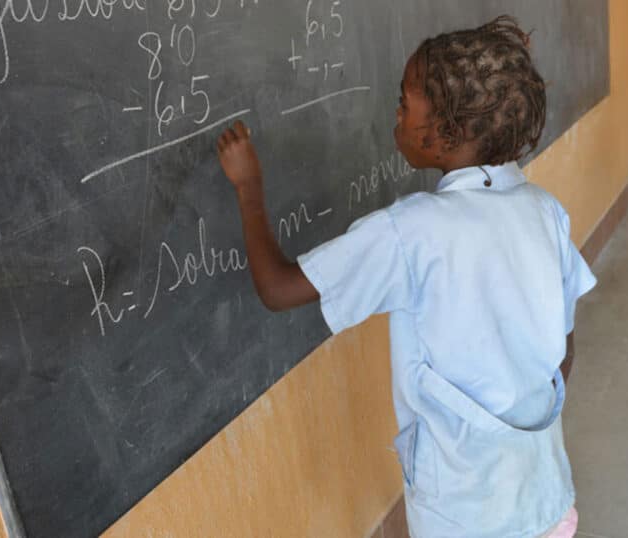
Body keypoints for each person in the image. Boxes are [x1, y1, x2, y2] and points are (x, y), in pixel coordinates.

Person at [216, 15, 596, 538]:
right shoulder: (543, 209)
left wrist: (249, 188)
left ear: (446, 131)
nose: (394, 115)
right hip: (544, 495)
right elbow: (565, 344)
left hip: (465, 514)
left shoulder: (412, 230)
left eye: (404, 102)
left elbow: (278, 289)